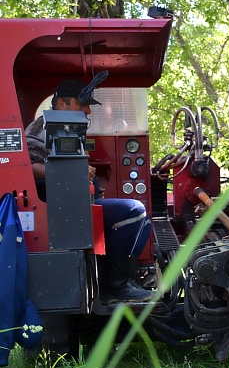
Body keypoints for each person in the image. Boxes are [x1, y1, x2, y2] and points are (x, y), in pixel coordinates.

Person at [25, 79, 154, 304]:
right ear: (62, 103)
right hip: (57, 208)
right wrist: (74, 171)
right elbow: (28, 167)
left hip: (72, 200)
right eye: (82, 104)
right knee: (133, 211)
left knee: (143, 222)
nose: (87, 110)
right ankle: (114, 288)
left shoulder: (65, 126)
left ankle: (122, 281)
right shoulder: (42, 127)